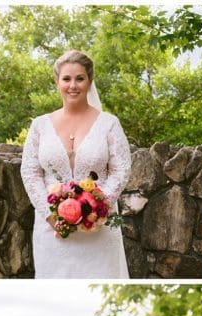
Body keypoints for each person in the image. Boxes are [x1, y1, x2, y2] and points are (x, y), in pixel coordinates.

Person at [20, 50, 132, 278]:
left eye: (80, 78)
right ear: (56, 81)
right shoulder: (40, 125)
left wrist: (96, 207)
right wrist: (50, 215)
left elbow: (121, 170)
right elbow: (30, 172)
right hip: (52, 230)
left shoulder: (109, 123)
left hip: (98, 229)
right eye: (67, 79)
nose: (73, 85)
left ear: (90, 81)